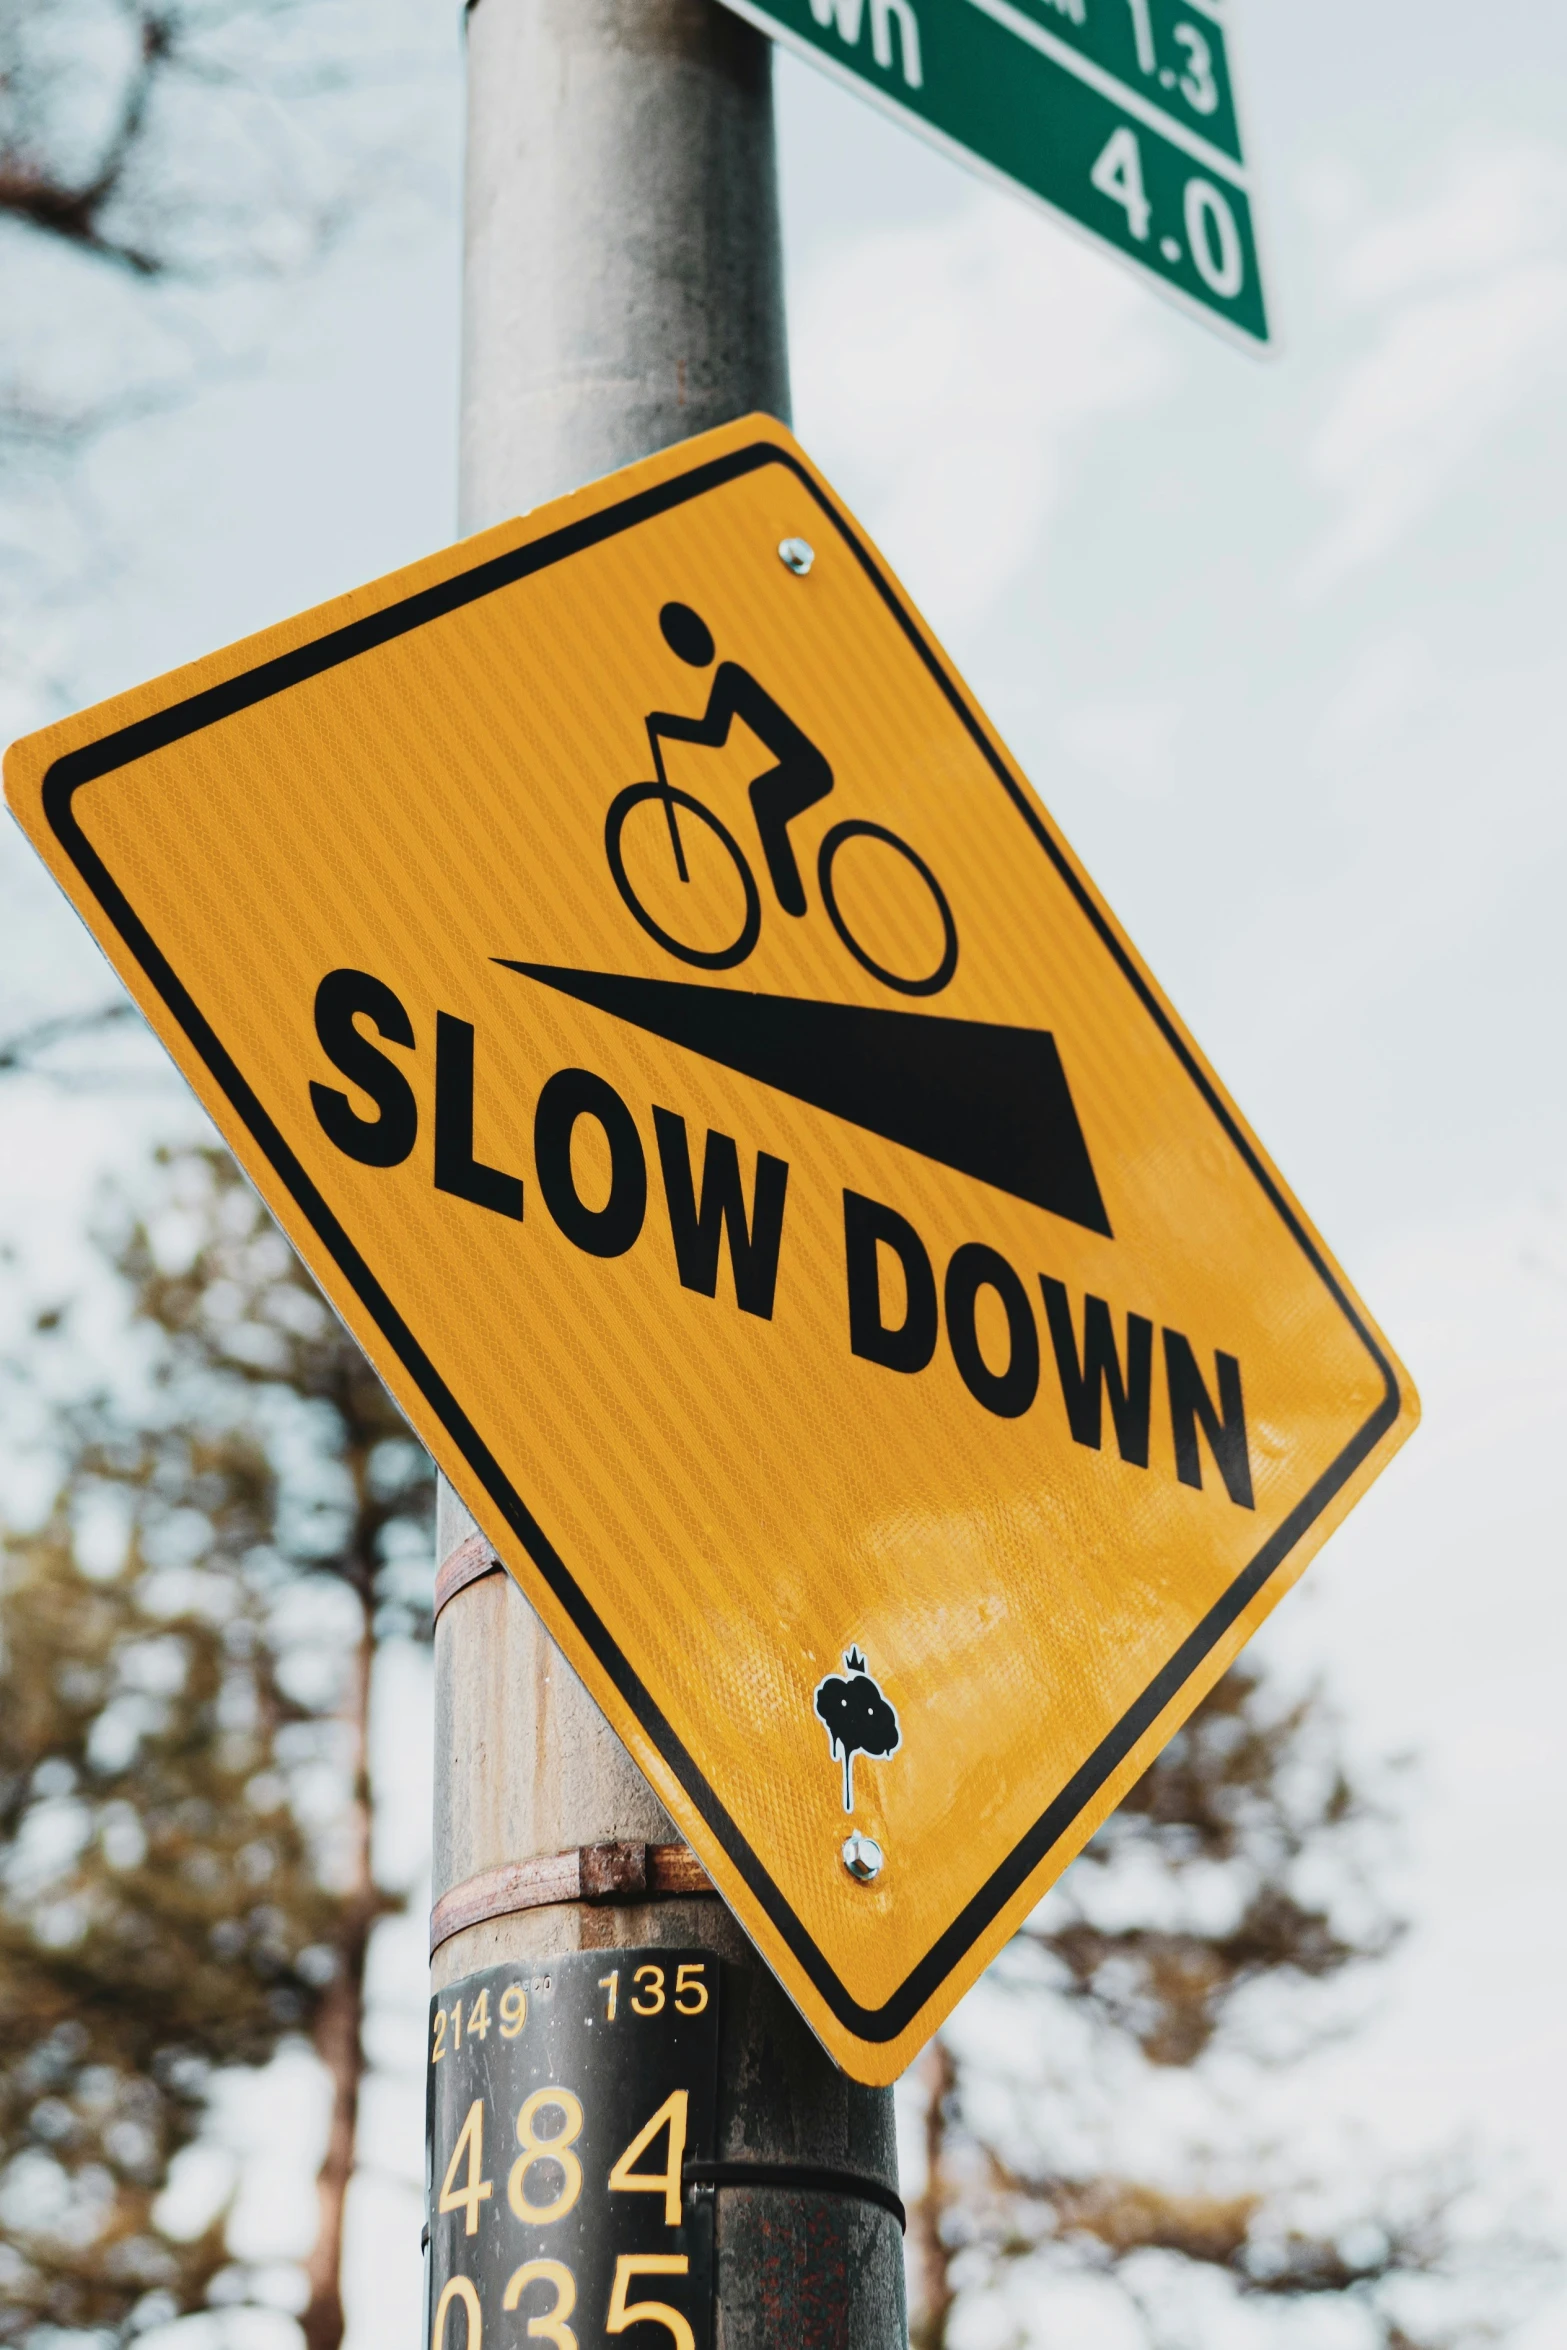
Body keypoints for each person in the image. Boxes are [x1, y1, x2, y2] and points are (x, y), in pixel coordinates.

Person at [646, 600, 834, 917]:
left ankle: (791, 899)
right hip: (803, 765)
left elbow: (714, 733)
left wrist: (666, 724)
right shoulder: (728, 674)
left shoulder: (730, 675)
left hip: (809, 768)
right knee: (762, 794)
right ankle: (791, 896)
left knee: (762, 796)